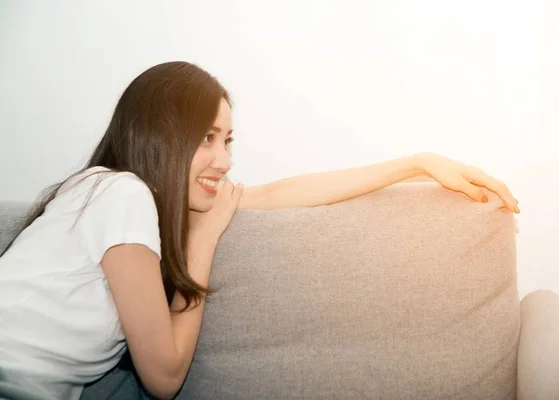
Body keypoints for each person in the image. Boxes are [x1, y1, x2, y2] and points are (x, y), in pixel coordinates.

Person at [0, 61, 519, 400]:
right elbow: (163, 377)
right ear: (162, 134)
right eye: (207, 138)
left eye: (228, 140)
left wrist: (417, 164)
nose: (224, 161)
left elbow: (274, 196)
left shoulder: (129, 200)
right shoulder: (122, 194)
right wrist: (201, 243)